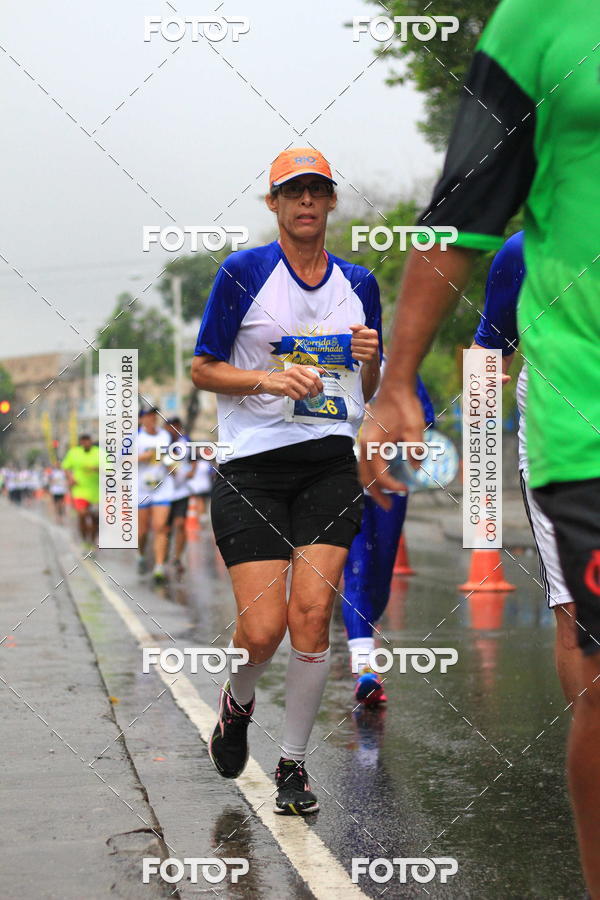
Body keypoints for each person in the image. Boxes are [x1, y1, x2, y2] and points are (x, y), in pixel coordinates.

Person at [360, 1, 600, 892]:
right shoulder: (538, 22)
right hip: (581, 416)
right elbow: (459, 220)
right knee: (592, 661)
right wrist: (400, 387)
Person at [191, 146, 382, 815]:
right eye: (293, 191)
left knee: (312, 616)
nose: (306, 201)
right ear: (273, 203)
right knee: (262, 630)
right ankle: (237, 701)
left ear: (330, 201)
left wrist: (371, 358)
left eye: (316, 191)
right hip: (251, 468)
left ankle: (293, 766)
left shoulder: (359, 282)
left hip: (328, 462)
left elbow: (367, 386)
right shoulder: (243, 272)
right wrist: (268, 380)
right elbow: (203, 368)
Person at [471, 231, 582, 705]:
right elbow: (487, 353)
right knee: (577, 613)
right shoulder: (524, 250)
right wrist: (480, 384)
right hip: (556, 452)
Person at [343, 375, 434, 706]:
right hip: (344, 479)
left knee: (380, 580)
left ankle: (364, 632)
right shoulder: (327, 357)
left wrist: (390, 423)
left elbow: (425, 418)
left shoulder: (398, 368)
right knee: (357, 572)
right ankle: (364, 668)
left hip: (390, 479)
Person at [136, 407, 173, 583]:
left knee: (160, 526)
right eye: (148, 416)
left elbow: (168, 457)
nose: (152, 419)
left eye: (154, 416)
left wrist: (172, 464)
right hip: (141, 488)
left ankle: (159, 567)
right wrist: (144, 456)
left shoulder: (165, 436)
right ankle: (141, 555)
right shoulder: (133, 438)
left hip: (162, 486)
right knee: (142, 531)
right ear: (141, 419)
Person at [164, 416, 195, 575]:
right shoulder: (161, 441)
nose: (173, 430)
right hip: (164, 493)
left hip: (182, 491)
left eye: (176, 426)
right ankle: (163, 557)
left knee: (181, 523)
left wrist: (192, 471)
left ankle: (178, 558)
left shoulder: (186, 442)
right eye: (171, 426)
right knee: (166, 527)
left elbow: (195, 458)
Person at [61, 434, 100, 546]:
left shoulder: (99, 452)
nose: (86, 443)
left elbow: (110, 468)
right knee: (82, 514)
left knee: (95, 519)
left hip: (96, 491)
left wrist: (97, 469)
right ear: (80, 443)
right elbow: (65, 467)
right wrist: (70, 478)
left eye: (88, 441)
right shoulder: (73, 453)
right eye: (83, 441)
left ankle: (92, 540)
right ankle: (85, 540)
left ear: (91, 441)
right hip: (80, 490)